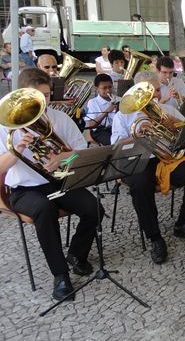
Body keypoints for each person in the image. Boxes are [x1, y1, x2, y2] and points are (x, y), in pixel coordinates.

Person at [0, 67, 103, 300]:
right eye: (36, 97)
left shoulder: (59, 118)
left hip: (56, 182)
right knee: (44, 210)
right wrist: (17, 150)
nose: (43, 102)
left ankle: (76, 254)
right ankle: (61, 276)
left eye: (46, 96)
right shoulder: (6, 125)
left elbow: (81, 153)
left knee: (94, 208)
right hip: (23, 189)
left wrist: (62, 158)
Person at [111, 70, 185, 263]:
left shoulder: (165, 109)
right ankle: (154, 237)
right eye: (154, 91)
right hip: (136, 160)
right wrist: (136, 134)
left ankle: (183, 221)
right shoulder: (123, 115)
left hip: (163, 159)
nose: (158, 94)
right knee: (141, 185)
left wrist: (174, 124)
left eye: (158, 89)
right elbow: (117, 145)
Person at [84, 74, 118, 146]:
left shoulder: (118, 100)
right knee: (115, 143)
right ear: (97, 89)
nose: (108, 90)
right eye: (104, 88)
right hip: (100, 131)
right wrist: (107, 111)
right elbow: (91, 125)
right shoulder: (93, 102)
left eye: (110, 87)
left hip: (116, 128)